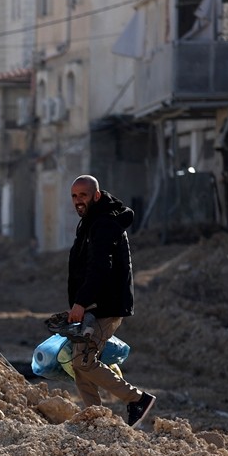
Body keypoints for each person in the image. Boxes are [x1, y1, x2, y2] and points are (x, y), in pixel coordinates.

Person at [66, 174, 156, 427]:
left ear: (96, 195)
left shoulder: (104, 223)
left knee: (82, 360)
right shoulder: (90, 221)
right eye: (74, 196)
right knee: (79, 361)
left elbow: (99, 268)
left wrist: (82, 302)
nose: (78, 201)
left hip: (105, 305)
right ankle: (95, 418)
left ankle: (137, 398)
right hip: (92, 305)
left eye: (83, 195)